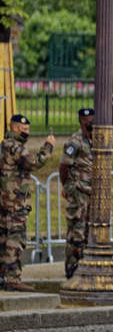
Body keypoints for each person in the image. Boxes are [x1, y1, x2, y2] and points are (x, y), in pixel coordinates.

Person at [0, 115, 55, 291]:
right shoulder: (14, 147)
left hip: (5, 201)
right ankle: (12, 279)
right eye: (24, 129)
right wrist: (49, 146)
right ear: (14, 128)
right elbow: (35, 162)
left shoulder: (3, 146)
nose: (27, 132)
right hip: (14, 202)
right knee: (15, 239)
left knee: (3, 238)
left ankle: (3, 277)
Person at [59, 108, 94, 279]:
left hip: (92, 193)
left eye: (92, 117)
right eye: (88, 118)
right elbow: (64, 166)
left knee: (88, 232)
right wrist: (67, 187)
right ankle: (72, 270)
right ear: (81, 120)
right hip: (78, 192)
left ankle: (85, 268)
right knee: (76, 233)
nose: (91, 121)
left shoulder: (96, 140)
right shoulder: (75, 141)